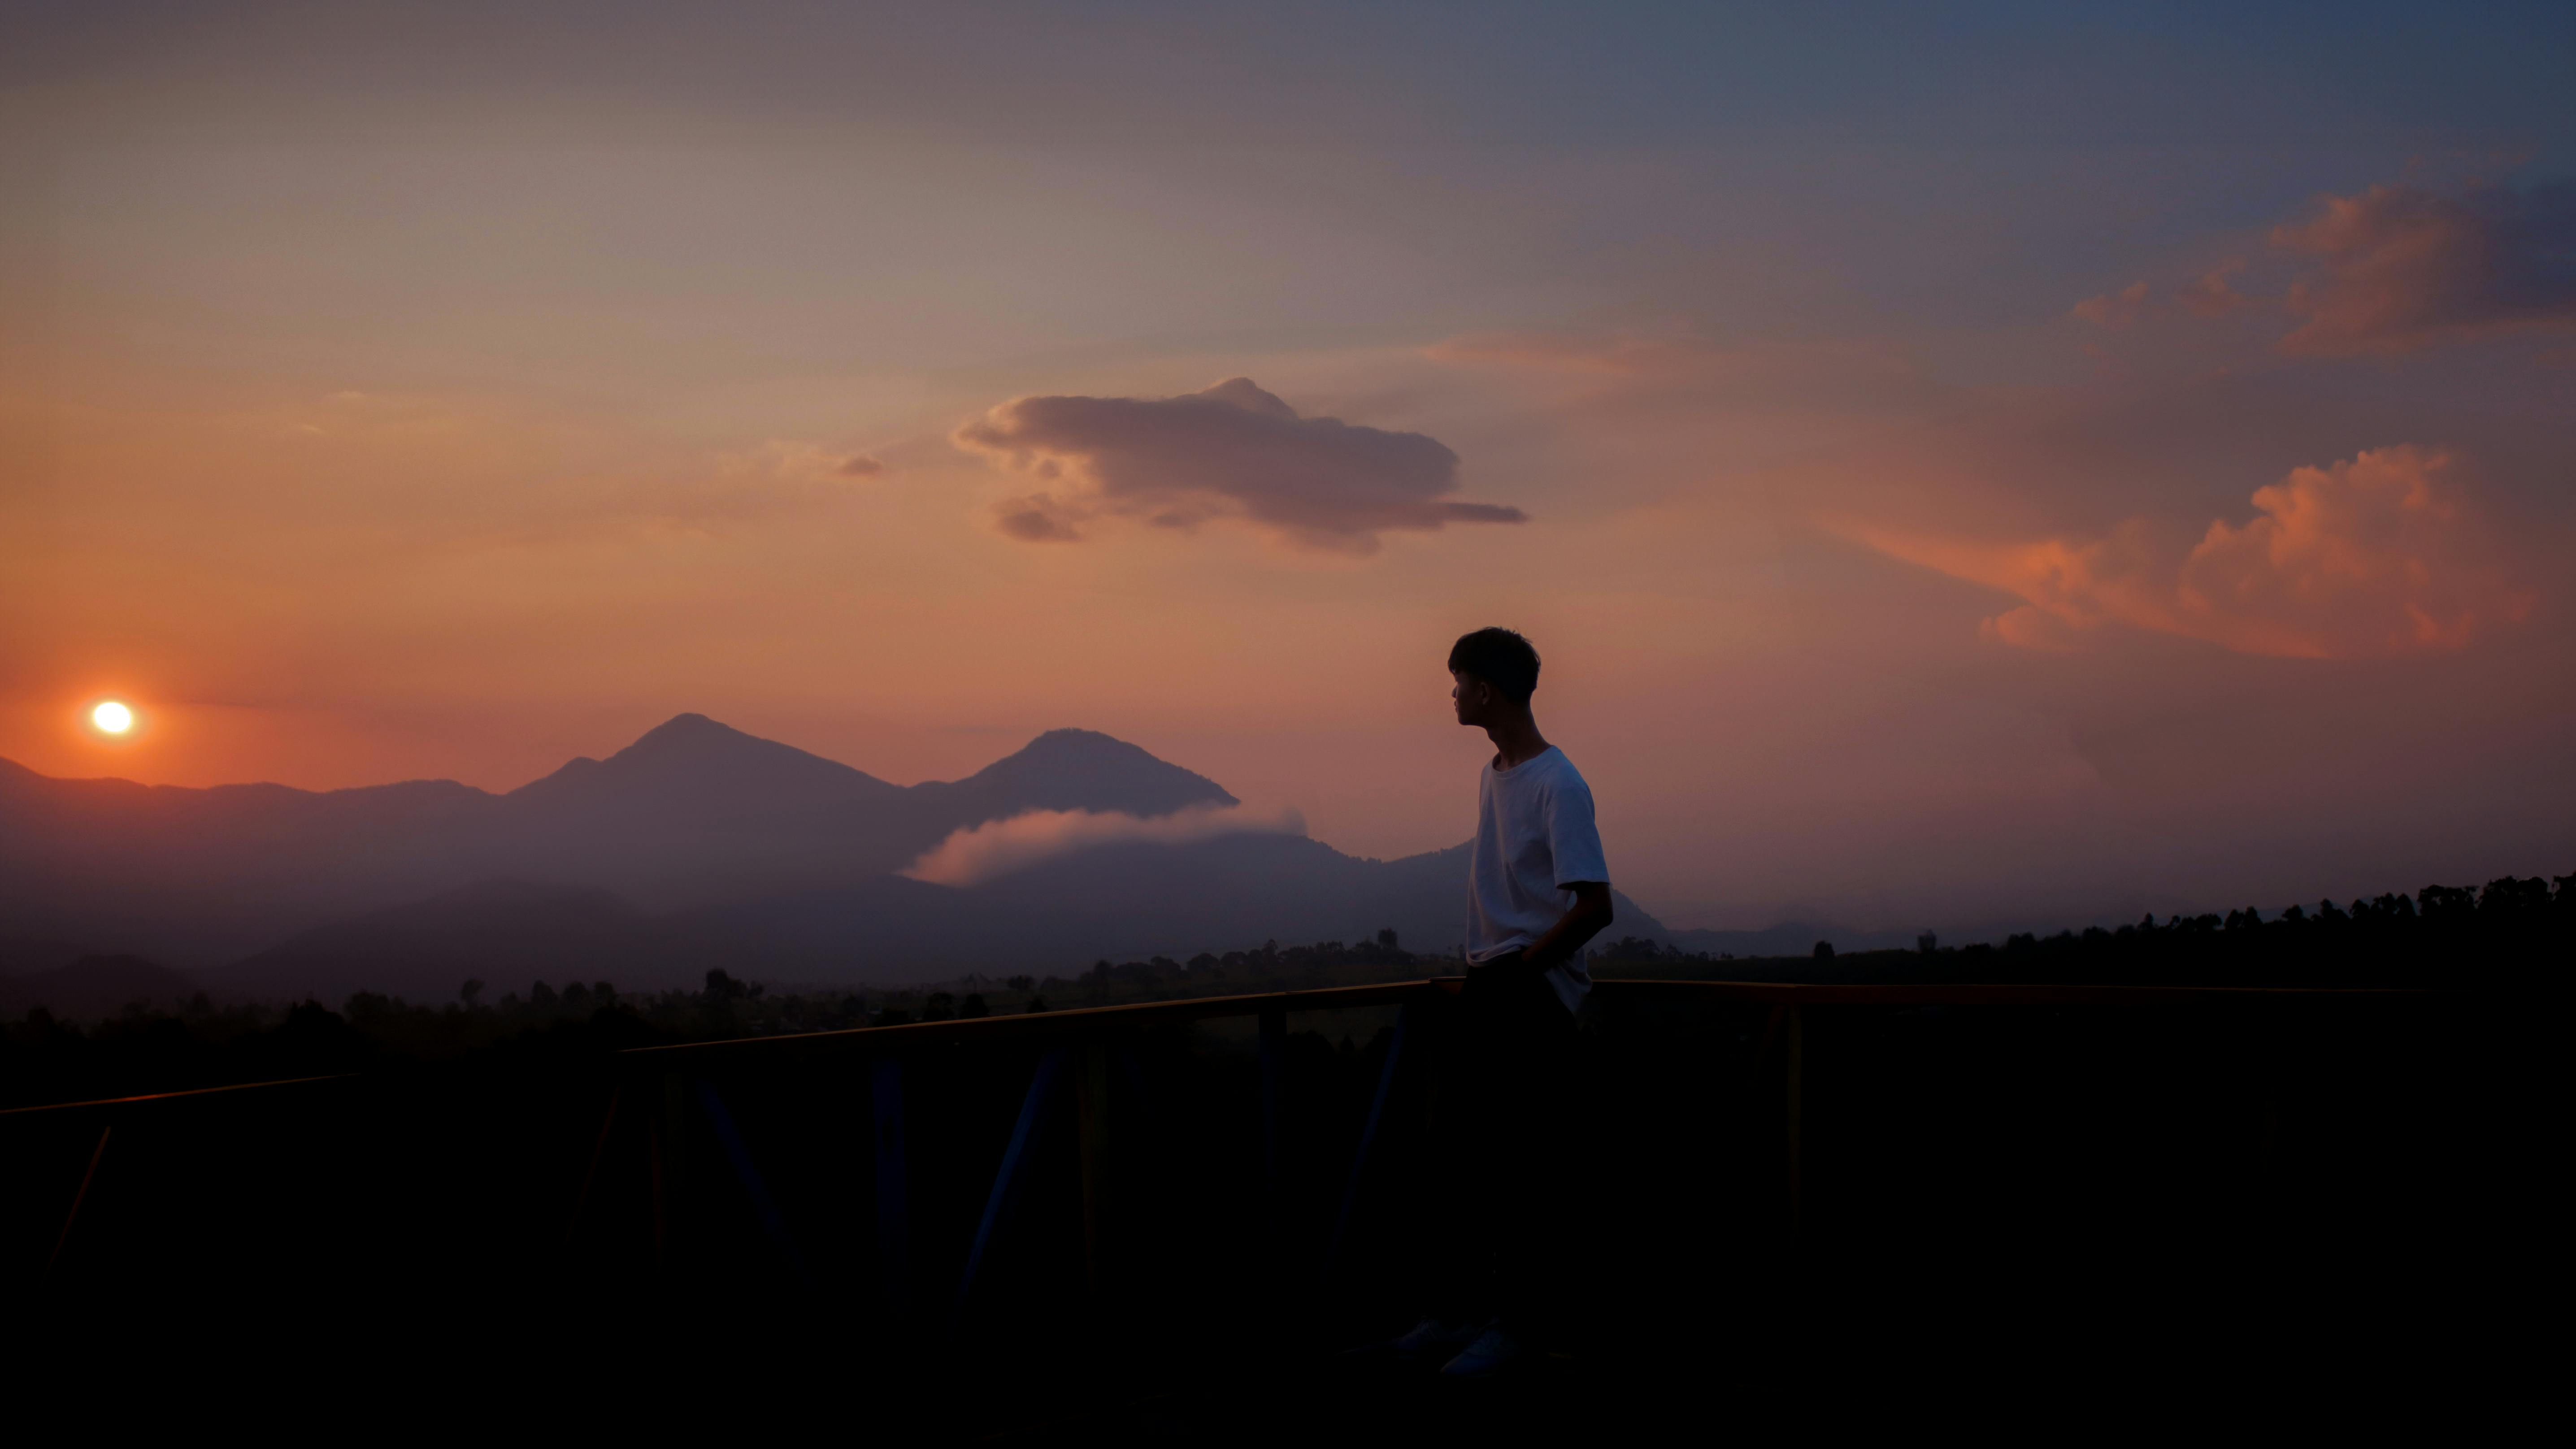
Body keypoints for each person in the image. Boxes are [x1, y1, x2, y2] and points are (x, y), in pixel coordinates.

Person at [1383, 626, 1614, 1378]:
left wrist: (1523, 971)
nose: (1450, 694)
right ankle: (1454, 1316)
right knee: (1459, 1158)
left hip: (1528, 991)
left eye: (1457, 681)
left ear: (1486, 689)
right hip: (1491, 984)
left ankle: (1515, 1325)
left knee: (1520, 1167)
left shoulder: (1558, 783)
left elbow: (1594, 906)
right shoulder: (1495, 773)